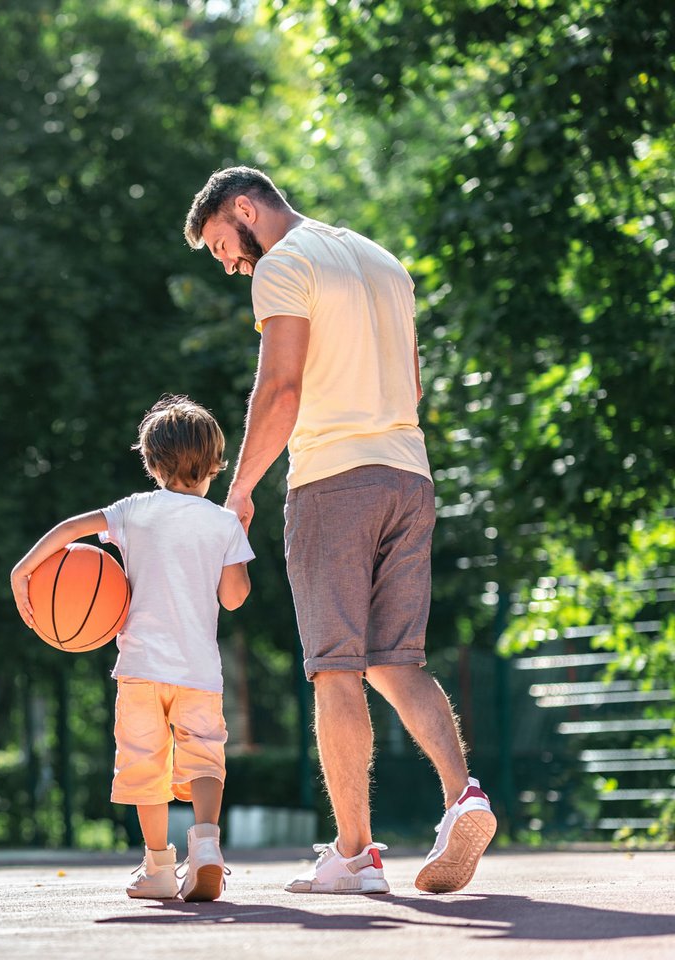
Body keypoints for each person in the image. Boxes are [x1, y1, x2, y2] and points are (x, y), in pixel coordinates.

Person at [183, 166, 496, 895]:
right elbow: (413, 384)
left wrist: (241, 489)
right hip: (409, 476)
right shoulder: (382, 260)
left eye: (224, 246)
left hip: (334, 481)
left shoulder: (285, 264)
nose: (229, 263)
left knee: (335, 667)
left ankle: (355, 855)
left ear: (243, 209)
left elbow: (282, 386)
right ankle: (464, 795)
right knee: (398, 662)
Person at [10, 396, 254, 901]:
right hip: (199, 672)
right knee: (205, 760)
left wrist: (24, 570)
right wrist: (237, 539)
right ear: (214, 463)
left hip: (141, 668)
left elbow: (70, 531)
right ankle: (206, 843)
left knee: (147, 766)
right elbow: (233, 600)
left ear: (152, 461)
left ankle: (158, 866)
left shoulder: (132, 511)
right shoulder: (223, 523)